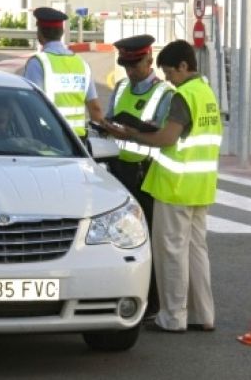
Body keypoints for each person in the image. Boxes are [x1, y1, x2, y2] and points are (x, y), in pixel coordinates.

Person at [105, 40, 222, 333]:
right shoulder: (206, 93)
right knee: (197, 252)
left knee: (171, 252)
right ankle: (202, 314)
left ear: (184, 66)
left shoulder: (183, 96)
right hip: (201, 185)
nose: (169, 78)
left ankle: (173, 316)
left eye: (170, 72)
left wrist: (133, 135)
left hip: (174, 184)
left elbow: (167, 139)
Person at [103, 34, 176, 319]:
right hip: (119, 170)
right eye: (126, 66)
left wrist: (134, 131)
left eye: (135, 66)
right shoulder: (121, 87)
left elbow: (162, 134)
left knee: (149, 239)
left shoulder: (165, 94)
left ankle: (153, 302)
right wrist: (107, 126)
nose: (130, 72)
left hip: (147, 172)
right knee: (119, 237)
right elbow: (109, 118)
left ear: (149, 60)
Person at [23, 7, 104, 139]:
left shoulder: (38, 63)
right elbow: (95, 109)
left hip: (48, 138)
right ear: (61, 32)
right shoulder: (82, 64)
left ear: (39, 34)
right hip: (78, 143)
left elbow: (28, 105)